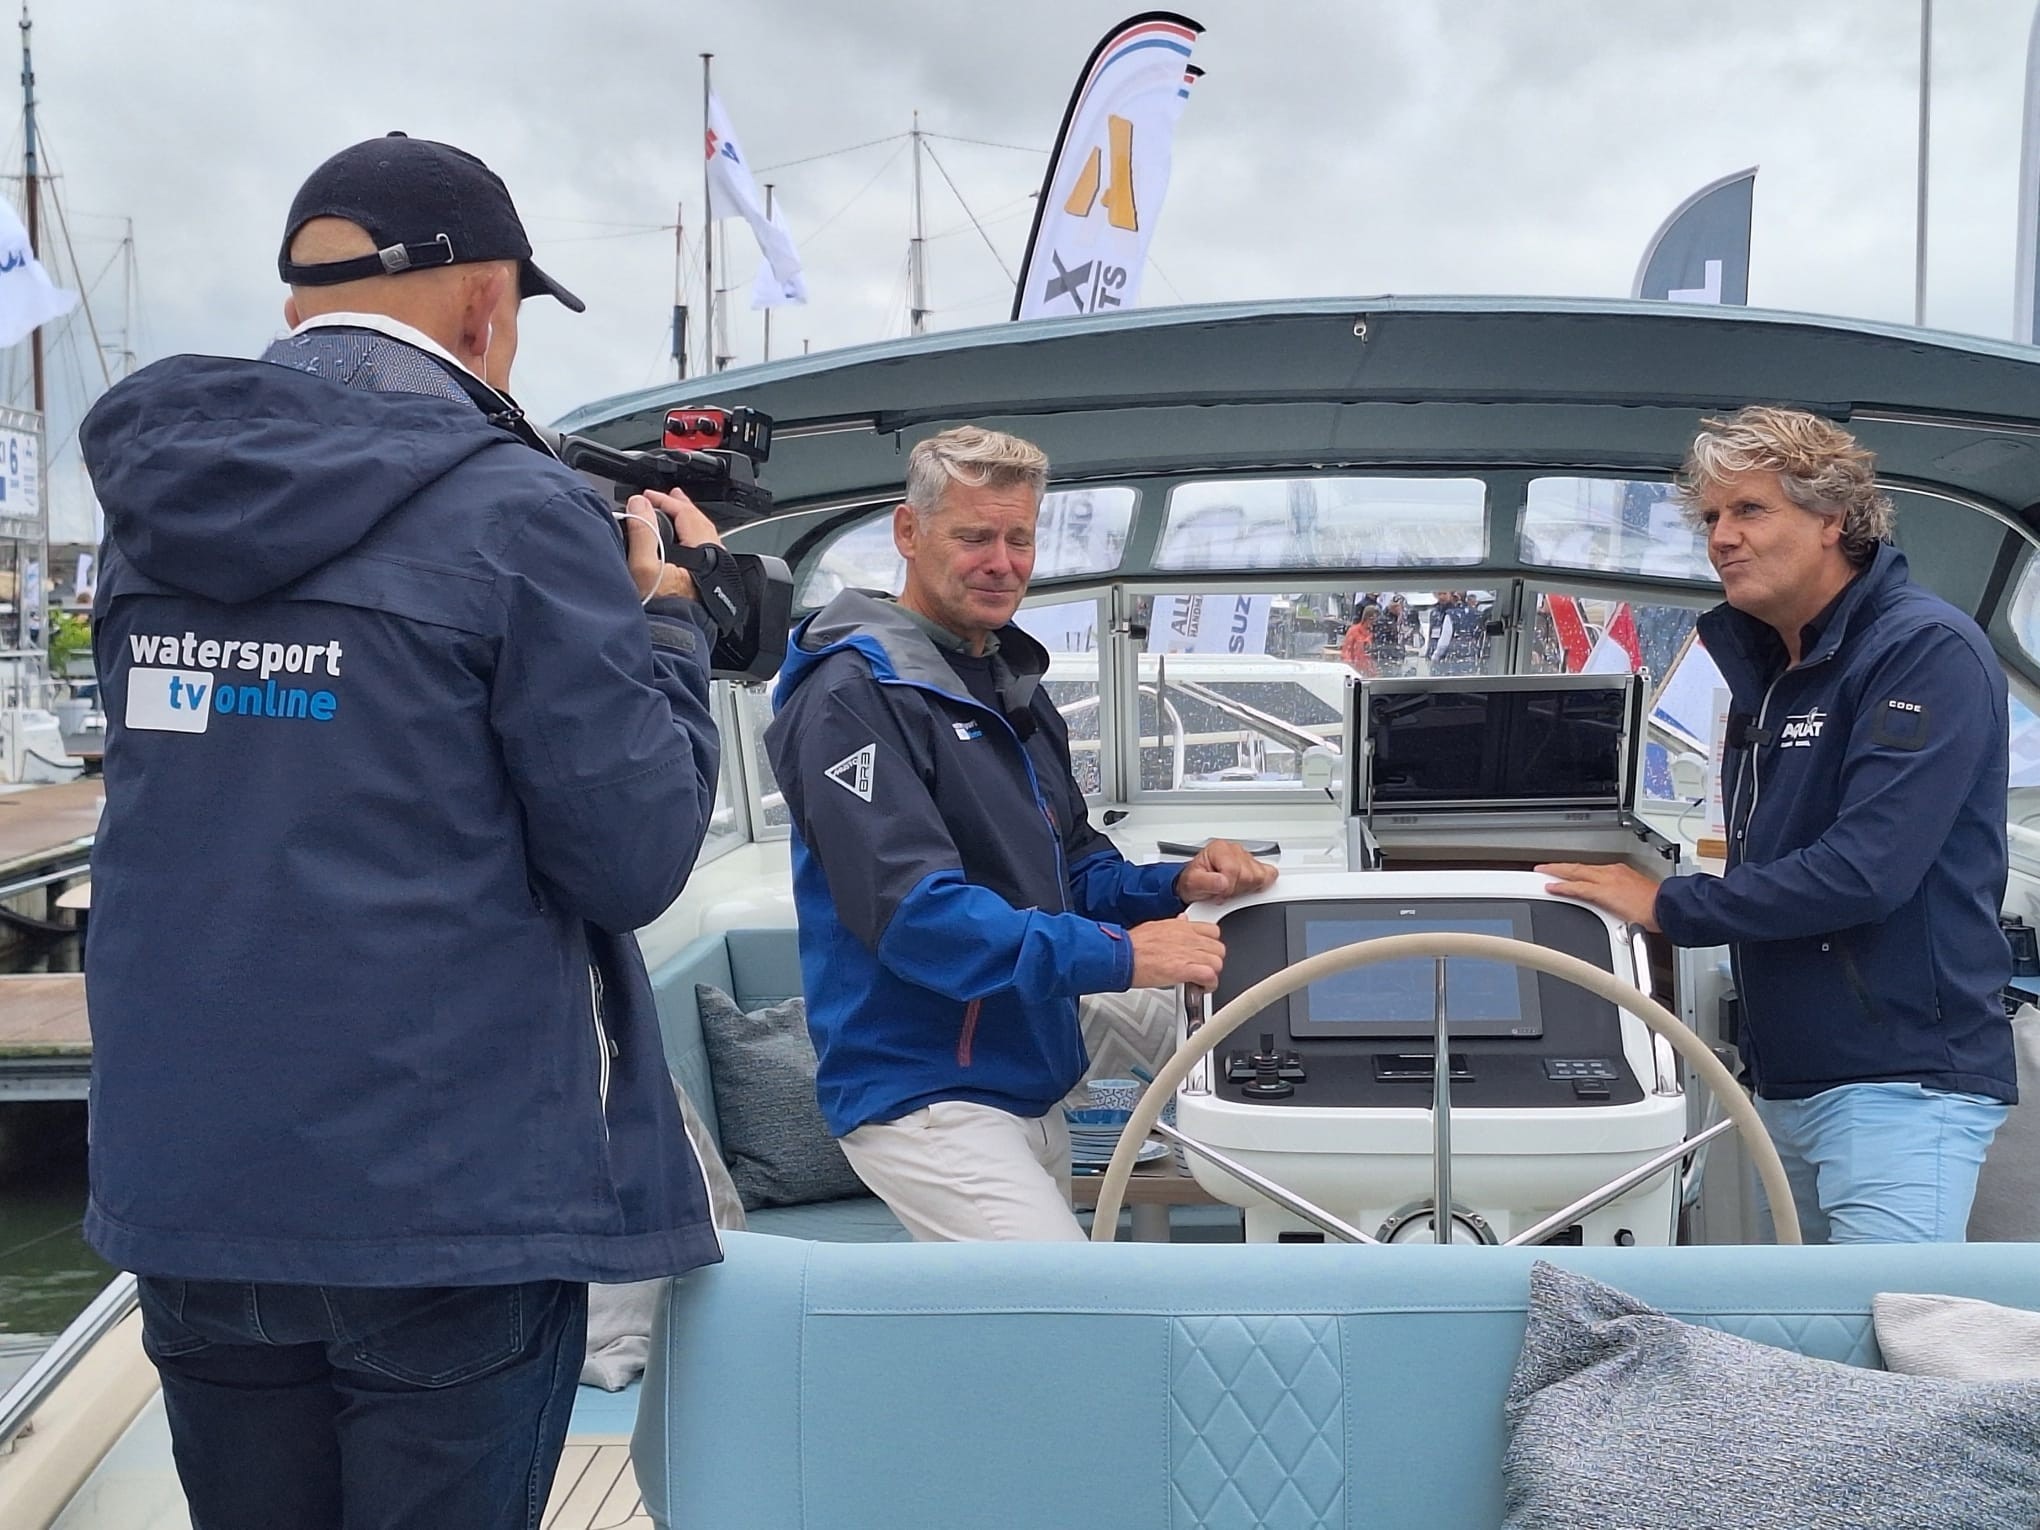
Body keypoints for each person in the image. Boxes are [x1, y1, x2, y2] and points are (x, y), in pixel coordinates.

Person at [77, 133, 729, 1529]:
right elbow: (631, 856)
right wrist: (668, 627)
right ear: (488, 303)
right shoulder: (522, 511)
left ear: (299, 302)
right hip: (446, 1200)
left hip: (193, 1184)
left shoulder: (149, 512)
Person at [764, 426, 1277, 1242]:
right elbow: (916, 919)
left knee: (1022, 1320)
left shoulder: (1010, 685)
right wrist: (1123, 955)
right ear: (909, 533)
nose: (1001, 563)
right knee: (1065, 1310)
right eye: (973, 537)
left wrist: (1175, 887)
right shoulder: (850, 699)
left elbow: (1069, 870)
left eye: (1019, 539)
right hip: (925, 1095)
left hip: (1027, 1080)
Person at [1541, 405, 2014, 1245]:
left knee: (1882, 1320)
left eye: (1750, 510)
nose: (1722, 537)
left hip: (1900, 1081)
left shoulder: (1923, 649)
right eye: (1711, 518)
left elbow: (1866, 870)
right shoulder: (1773, 666)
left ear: (1834, 518)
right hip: (1787, 1078)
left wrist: (1669, 905)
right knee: (1796, 1324)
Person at [1340, 600, 1381, 674]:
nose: (1373, 622)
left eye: (1376, 620)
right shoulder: (1354, 630)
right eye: (1372, 619)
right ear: (1366, 618)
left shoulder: (1375, 632)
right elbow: (1346, 651)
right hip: (1355, 669)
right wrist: (1349, 667)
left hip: (1370, 671)